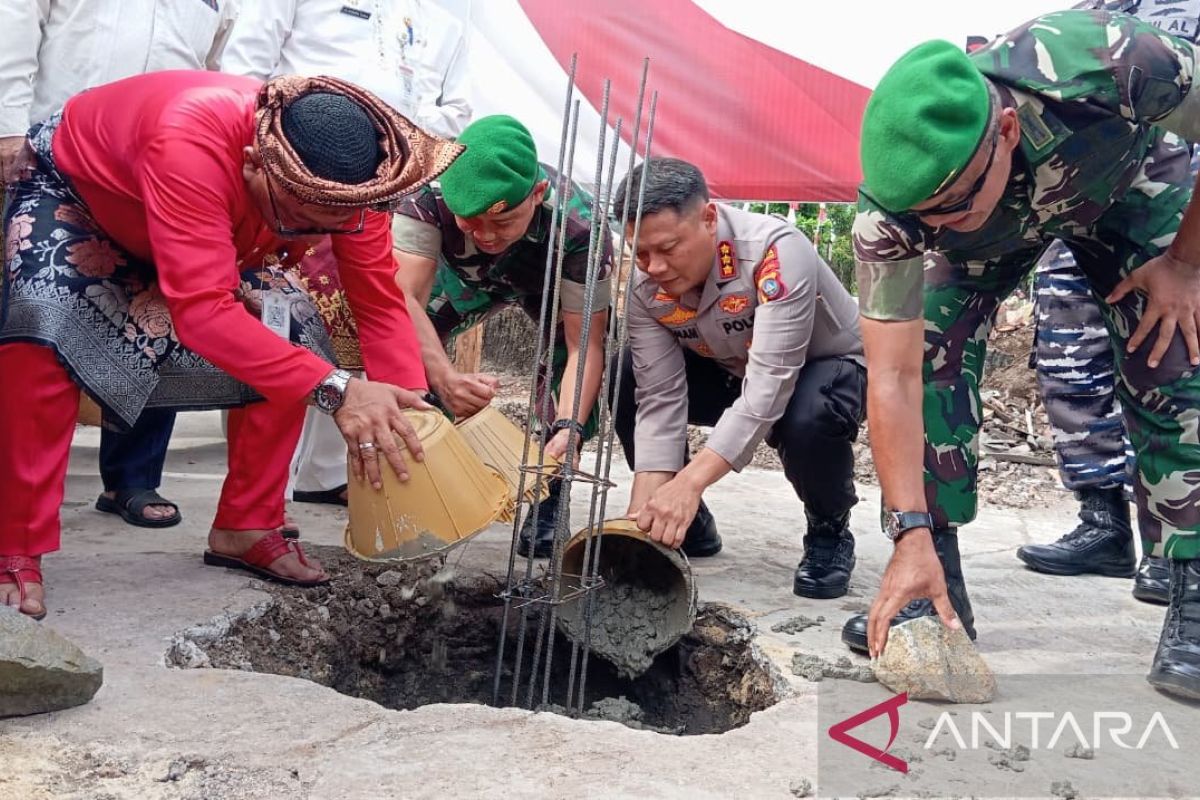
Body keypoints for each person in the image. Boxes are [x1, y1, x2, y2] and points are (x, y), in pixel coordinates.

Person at [0, 70, 462, 619]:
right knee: (41, 332)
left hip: (223, 228)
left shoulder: (355, 184)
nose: (315, 240)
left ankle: (247, 523)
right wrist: (341, 390)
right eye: (305, 222)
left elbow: (379, 301)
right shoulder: (188, 141)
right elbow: (202, 311)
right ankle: (15, 543)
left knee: (297, 335)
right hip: (85, 198)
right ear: (253, 163)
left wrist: (405, 411)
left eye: (331, 228)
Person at [847, 8, 1200, 699]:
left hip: (1123, 187)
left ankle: (1193, 586)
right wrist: (907, 533)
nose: (932, 228)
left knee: (1173, 353)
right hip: (995, 240)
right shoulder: (891, 218)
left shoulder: (1106, 59)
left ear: (1005, 131)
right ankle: (932, 583)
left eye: (949, 204)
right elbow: (892, 379)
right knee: (932, 357)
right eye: (919, 218)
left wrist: (1186, 265)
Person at [303, 114, 611, 557]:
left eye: (500, 223)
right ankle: (432, 471)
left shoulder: (581, 229)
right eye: (470, 221)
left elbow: (586, 345)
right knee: (408, 352)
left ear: (538, 194)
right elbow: (400, 299)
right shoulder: (428, 194)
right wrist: (444, 378)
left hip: (543, 274)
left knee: (566, 363)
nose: (485, 234)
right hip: (456, 277)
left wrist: (570, 426)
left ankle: (552, 488)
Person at [220, 0, 473, 508]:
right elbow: (244, 75)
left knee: (345, 324)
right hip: (282, 176)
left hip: (373, 174)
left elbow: (382, 303)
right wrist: (270, 169)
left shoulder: (445, 19)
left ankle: (307, 482)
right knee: (282, 326)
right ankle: (265, 500)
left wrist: (412, 408)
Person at [0, 0, 241, 528]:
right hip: (52, 153)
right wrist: (7, 124)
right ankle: (20, 495)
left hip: (164, 166)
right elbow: (16, 19)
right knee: (34, 321)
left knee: (159, 310)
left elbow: (217, 66)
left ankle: (132, 476)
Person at [1014, 0, 1200, 604]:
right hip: (1090, 201)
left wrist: (1186, 260)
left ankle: (1174, 548)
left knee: (1168, 357)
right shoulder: (1091, 14)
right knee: (1069, 352)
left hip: (1179, 216)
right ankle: (1104, 523)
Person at [612, 158, 866, 594]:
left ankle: (829, 529)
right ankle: (687, 523)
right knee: (626, 375)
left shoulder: (775, 252)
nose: (653, 267)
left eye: (668, 248)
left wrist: (689, 482)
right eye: (641, 251)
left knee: (808, 414)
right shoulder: (645, 285)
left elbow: (770, 386)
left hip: (824, 368)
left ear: (709, 218)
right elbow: (658, 397)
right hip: (730, 368)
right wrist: (643, 511)